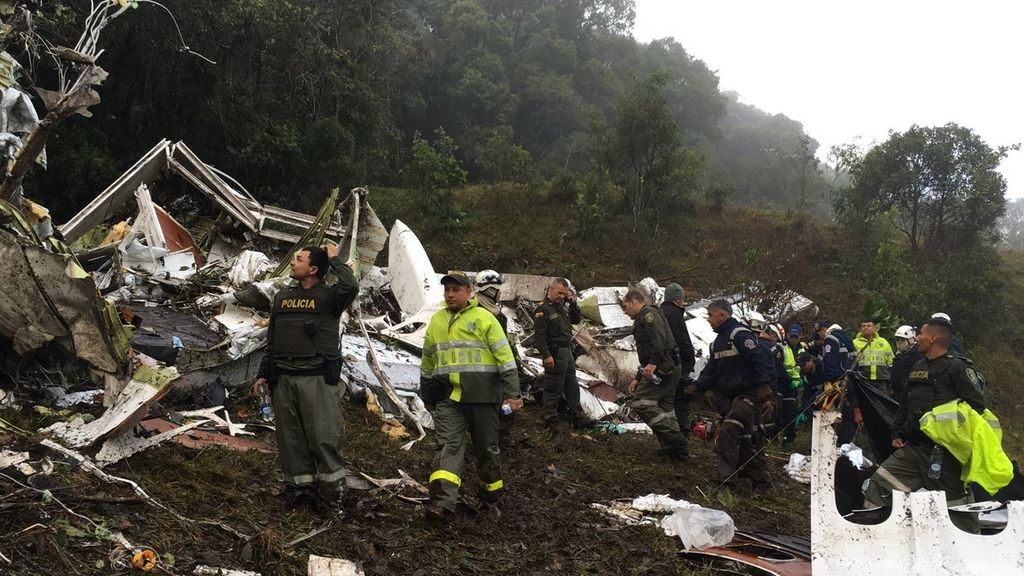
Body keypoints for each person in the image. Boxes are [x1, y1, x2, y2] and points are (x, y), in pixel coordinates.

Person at [252, 244, 358, 512]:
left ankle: (333, 496)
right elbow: (272, 340)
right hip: (283, 380)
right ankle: (301, 492)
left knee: (324, 437)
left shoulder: (330, 298)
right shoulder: (282, 297)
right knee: (291, 440)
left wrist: (334, 259)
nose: (292, 262)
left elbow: (351, 286)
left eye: (298, 259)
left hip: (317, 380)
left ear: (312, 269)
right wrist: (264, 374)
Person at [863, 318, 986, 533]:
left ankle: (972, 547)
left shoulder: (958, 368)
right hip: (913, 449)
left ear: (933, 337)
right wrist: (896, 431)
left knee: (957, 507)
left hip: (944, 455)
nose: (917, 337)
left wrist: (946, 426)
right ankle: (873, 535)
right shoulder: (918, 366)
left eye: (920, 333)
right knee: (880, 485)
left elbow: (977, 407)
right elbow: (905, 402)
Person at [419, 272, 523, 523]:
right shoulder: (437, 321)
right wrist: (427, 394)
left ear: (469, 292)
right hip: (449, 398)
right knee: (448, 447)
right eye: (447, 290)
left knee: (486, 450)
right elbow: (428, 360)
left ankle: (491, 499)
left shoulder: (486, 319)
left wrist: (512, 394)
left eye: (456, 289)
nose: (450, 294)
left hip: (483, 398)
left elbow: (505, 359)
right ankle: (441, 504)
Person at [694, 300, 775, 490]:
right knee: (745, 439)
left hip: (749, 394)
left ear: (722, 315)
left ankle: (725, 481)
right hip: (730, 398)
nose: (708, 320)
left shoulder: (739, 334)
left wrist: (764, 387)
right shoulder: (716, 344)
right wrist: (695, 388)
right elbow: (710, 371)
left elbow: (759, 359)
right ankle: (761, 481)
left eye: (710, 315)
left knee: (728, 431)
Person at [622, 290, 689, 461]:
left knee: (641, 402)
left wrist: (652, 364)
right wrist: (638, 377)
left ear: (632, 302)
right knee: (666, 408)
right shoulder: (644, 316)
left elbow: (659, 341)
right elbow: (647, 351)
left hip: (663, 367)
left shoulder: (648, 314)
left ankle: (677, 441)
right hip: (665, 366)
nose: (624, 311)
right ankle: (674, 451)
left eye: (625, 306)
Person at [474, 270, 524, 445]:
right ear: (491, 290)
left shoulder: (497, 314)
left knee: (503, 402)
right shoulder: (478, 313)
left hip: (497, 365)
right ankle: (494, 437)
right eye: (498, 289)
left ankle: (501, 435)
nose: (500, 293)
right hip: (485, 368)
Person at [534, 278, 590, 427]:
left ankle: (577, 417)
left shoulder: (562, 307)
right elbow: (539, 336)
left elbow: (576, 319)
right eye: (559, 293)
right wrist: (546, 355)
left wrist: (572, 303)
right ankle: (549, 417)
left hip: (567, 351)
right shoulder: (543, 309)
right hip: (555, 351)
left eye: (564, 294)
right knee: (554, 385)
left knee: (572, 385)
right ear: (550, 290)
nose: (561, 296)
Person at [660, 283, 696, 441]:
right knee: (680, 402)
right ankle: (681, 438)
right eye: (682, 298)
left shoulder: (660, 313)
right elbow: (682, 341)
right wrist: (689, 361)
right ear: (678, 299)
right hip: (677, 365)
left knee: (666, 402)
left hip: (662, 364)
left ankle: (668, 437)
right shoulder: (675, 314)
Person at [818, 321, 858, 445]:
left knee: (835, 416)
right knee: (848, 416)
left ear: (826, 330)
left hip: (838, 383)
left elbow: (829, 361)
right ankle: (848, 446)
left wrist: (827, 380)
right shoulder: (848, 340)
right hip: (851, 382)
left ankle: (837, 446)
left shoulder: (831, 338)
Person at [853, 319, 895, 394]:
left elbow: (891, 361)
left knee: (881, 403)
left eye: (868, 326)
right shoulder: (854, 343)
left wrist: (891, 379)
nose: (866, 328)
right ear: (860, 329)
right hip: (862, 379)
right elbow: (851, 362)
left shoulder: (883, 342)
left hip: (881, 380)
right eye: (863, 326)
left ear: (874, 328)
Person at [890, 325, 921, 400]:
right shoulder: (899, 355)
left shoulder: (917, 355)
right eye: (898, 340)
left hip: (909, 396)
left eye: (902, 340)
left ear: (911, 340)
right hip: (897, 394)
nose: (899, 342)